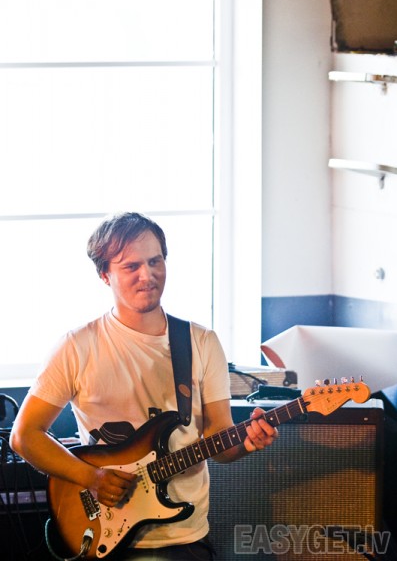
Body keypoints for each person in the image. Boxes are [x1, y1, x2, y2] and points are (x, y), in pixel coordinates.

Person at [10, 212, 278, 560]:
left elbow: (220, 443)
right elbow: (24, 436)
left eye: (155, 261)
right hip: (105, 532)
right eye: (131, 266)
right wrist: (91, 478)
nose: (147, 276)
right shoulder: (77, 346)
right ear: (105, 275)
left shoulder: (201, 342)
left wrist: (247, 443)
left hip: (184, 537)